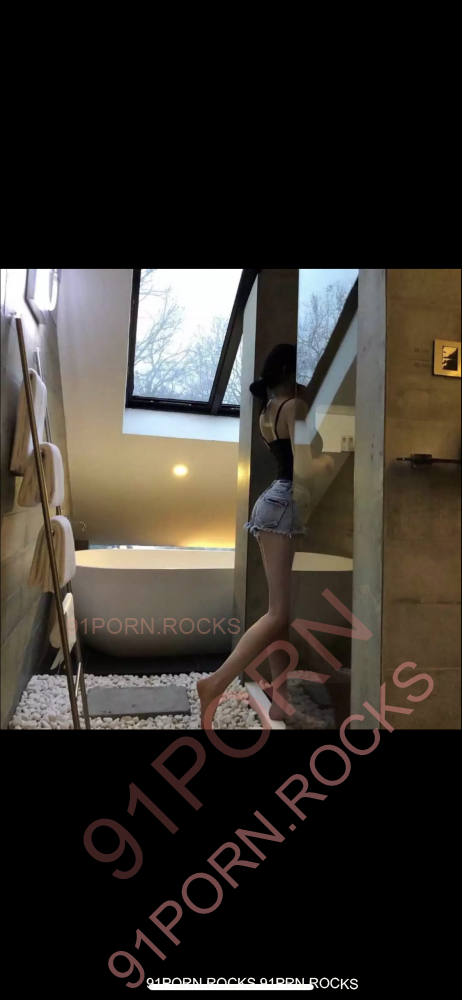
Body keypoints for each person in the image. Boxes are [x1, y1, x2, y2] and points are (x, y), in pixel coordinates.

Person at [197, 344, 334, 729]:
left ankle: (281, 704)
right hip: (286, 503)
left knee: (279, 615)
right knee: (278, 614)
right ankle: (215, 683)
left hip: (271, 503)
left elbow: (287, 458)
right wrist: (331, 460)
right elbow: (305, 467)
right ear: (290, 371)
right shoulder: (294, 407)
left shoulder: (268, 412)